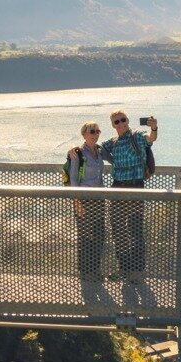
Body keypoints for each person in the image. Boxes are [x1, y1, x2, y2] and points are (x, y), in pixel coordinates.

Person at [97, 110, 158, 284]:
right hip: (117, 187)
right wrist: (76, 150)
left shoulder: (136, 136)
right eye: (117, 122)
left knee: (135, 230)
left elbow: (151, 139)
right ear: (113, 125)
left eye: (123, 120)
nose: (121, 123)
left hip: (135, 186)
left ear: (128, 120)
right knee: (118, 230)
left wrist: (154, 128)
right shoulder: (112, 142)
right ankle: (124, 269)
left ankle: (137, 272)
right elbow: (96, 148)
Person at [69, 121, 110, 282]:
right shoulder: (78, 153)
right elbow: (73, 178)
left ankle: (95, 270)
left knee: (99, 235)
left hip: (98, 199)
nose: (95, 134)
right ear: (84, 134)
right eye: (91, 131)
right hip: (84, 199)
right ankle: (86, 273)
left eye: (97, 131)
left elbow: (114, 159)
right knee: (85, 236)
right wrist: (77, 201)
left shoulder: (99, 151)